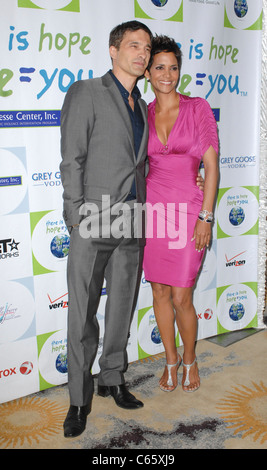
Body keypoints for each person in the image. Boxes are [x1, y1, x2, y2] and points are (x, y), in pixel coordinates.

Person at [60, 20, 153, 438]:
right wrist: (75, 215)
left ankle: (112, 377)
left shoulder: (143, 105)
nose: (142, 54)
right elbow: (72, 158)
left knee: (121, 307)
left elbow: (139, 162)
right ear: (113, 50)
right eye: (134, 45)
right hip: (92, 218)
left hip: (132, 218)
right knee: (82, 315)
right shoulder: (86, 92)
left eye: (147, 49)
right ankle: (79, 400)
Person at [143, 35, 219, 393]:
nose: (167, 74)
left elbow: (212, 166)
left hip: (190, 210)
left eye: (173, 67)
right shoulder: (142, 114)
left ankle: (190, 359)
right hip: (154, 210)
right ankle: (170, 361)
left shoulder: (197, 108)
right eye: (159, 67)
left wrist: (206, 216)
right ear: (147, 72)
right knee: (159, 290)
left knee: (181, 296)